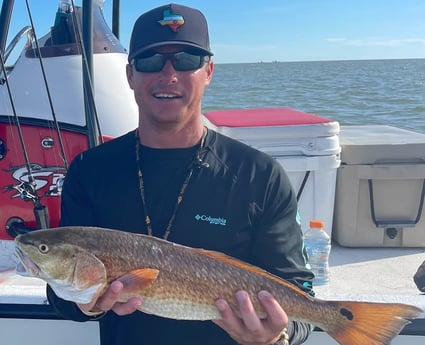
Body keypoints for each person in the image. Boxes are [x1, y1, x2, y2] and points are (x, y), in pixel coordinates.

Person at [47, 3, 314, 345]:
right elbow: (61, 298)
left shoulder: (260, 175)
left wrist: (277, 336)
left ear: (209, 71)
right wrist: (86, 305)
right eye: (150, 61)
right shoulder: (89, 170)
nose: (168, 75)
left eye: (187, 60)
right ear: (130, 75)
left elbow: (301, 298)